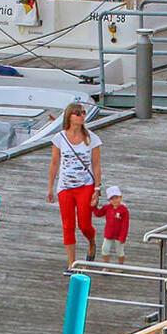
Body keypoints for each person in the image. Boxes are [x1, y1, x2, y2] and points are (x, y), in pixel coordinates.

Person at [47, 101, 102, 267]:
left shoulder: (91, 138)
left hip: (85, 186)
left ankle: (92, 242)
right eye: (78, 113)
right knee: (68, 225)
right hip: (65, 187)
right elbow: (54, 163)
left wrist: (97, 189)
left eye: (83, 113)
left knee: (84, 224)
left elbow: (96, 165)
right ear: (69, 117)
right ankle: (71, 263)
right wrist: (50, 187)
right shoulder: (59, 138)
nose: (82, 116)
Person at [94, 184, 131, 265]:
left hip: (119, 236)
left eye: (116, 198)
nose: (115, 200)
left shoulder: (124, 210)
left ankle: (121, 266)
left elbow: (125, 225)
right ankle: (106, 265)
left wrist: (123, 237)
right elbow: (98, 213)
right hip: (108, 234)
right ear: (109, 200)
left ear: (121, 197)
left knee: (120, 251)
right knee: (105, 250)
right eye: (112, 199)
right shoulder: (107, 207)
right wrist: (94, 207)